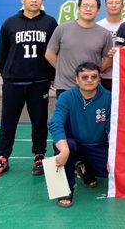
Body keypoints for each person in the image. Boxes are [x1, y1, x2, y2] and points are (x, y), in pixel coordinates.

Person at [0, 0, 58, 179]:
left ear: (42, 1)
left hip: (39, 81)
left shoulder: (50, 23)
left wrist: (51, 75)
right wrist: (6, 74)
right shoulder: (10, 23)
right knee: (8, 121)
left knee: (39, 121)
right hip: (14, 82)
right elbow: (3, 52)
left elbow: (55, 50)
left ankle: (39, 156)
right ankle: (3, 157)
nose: (34, 0)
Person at [48, 62, 111, 208]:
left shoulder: (108, 97)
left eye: (93, 77)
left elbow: (112, 128)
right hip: (72, 144)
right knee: (68, 147)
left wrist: (113, 156)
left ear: (99, 79)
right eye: (84, 77)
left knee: (109, 171)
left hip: (96, 144)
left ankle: (84, 167)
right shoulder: (66, 97)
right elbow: (55, 123)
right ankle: (65, 190)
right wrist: (64, 150)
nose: (89, 80)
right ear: (77, 80)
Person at [45, 0, 113, 97]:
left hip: (91, 87)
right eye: (85, 5)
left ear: (98, 10)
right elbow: (49, 54)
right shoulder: (62, 28)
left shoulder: (104, 33)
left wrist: (93, 73)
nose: (88, 9)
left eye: (92, 6)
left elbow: (109, 59)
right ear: (78, 8)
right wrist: (62, 69)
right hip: (65, 87)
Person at [96, 0, 125, 90]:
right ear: (105, 6)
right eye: (110, 3)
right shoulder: (98, 26)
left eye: (117, 3)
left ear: (123, 6)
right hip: (102, 76)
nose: (114, 5)